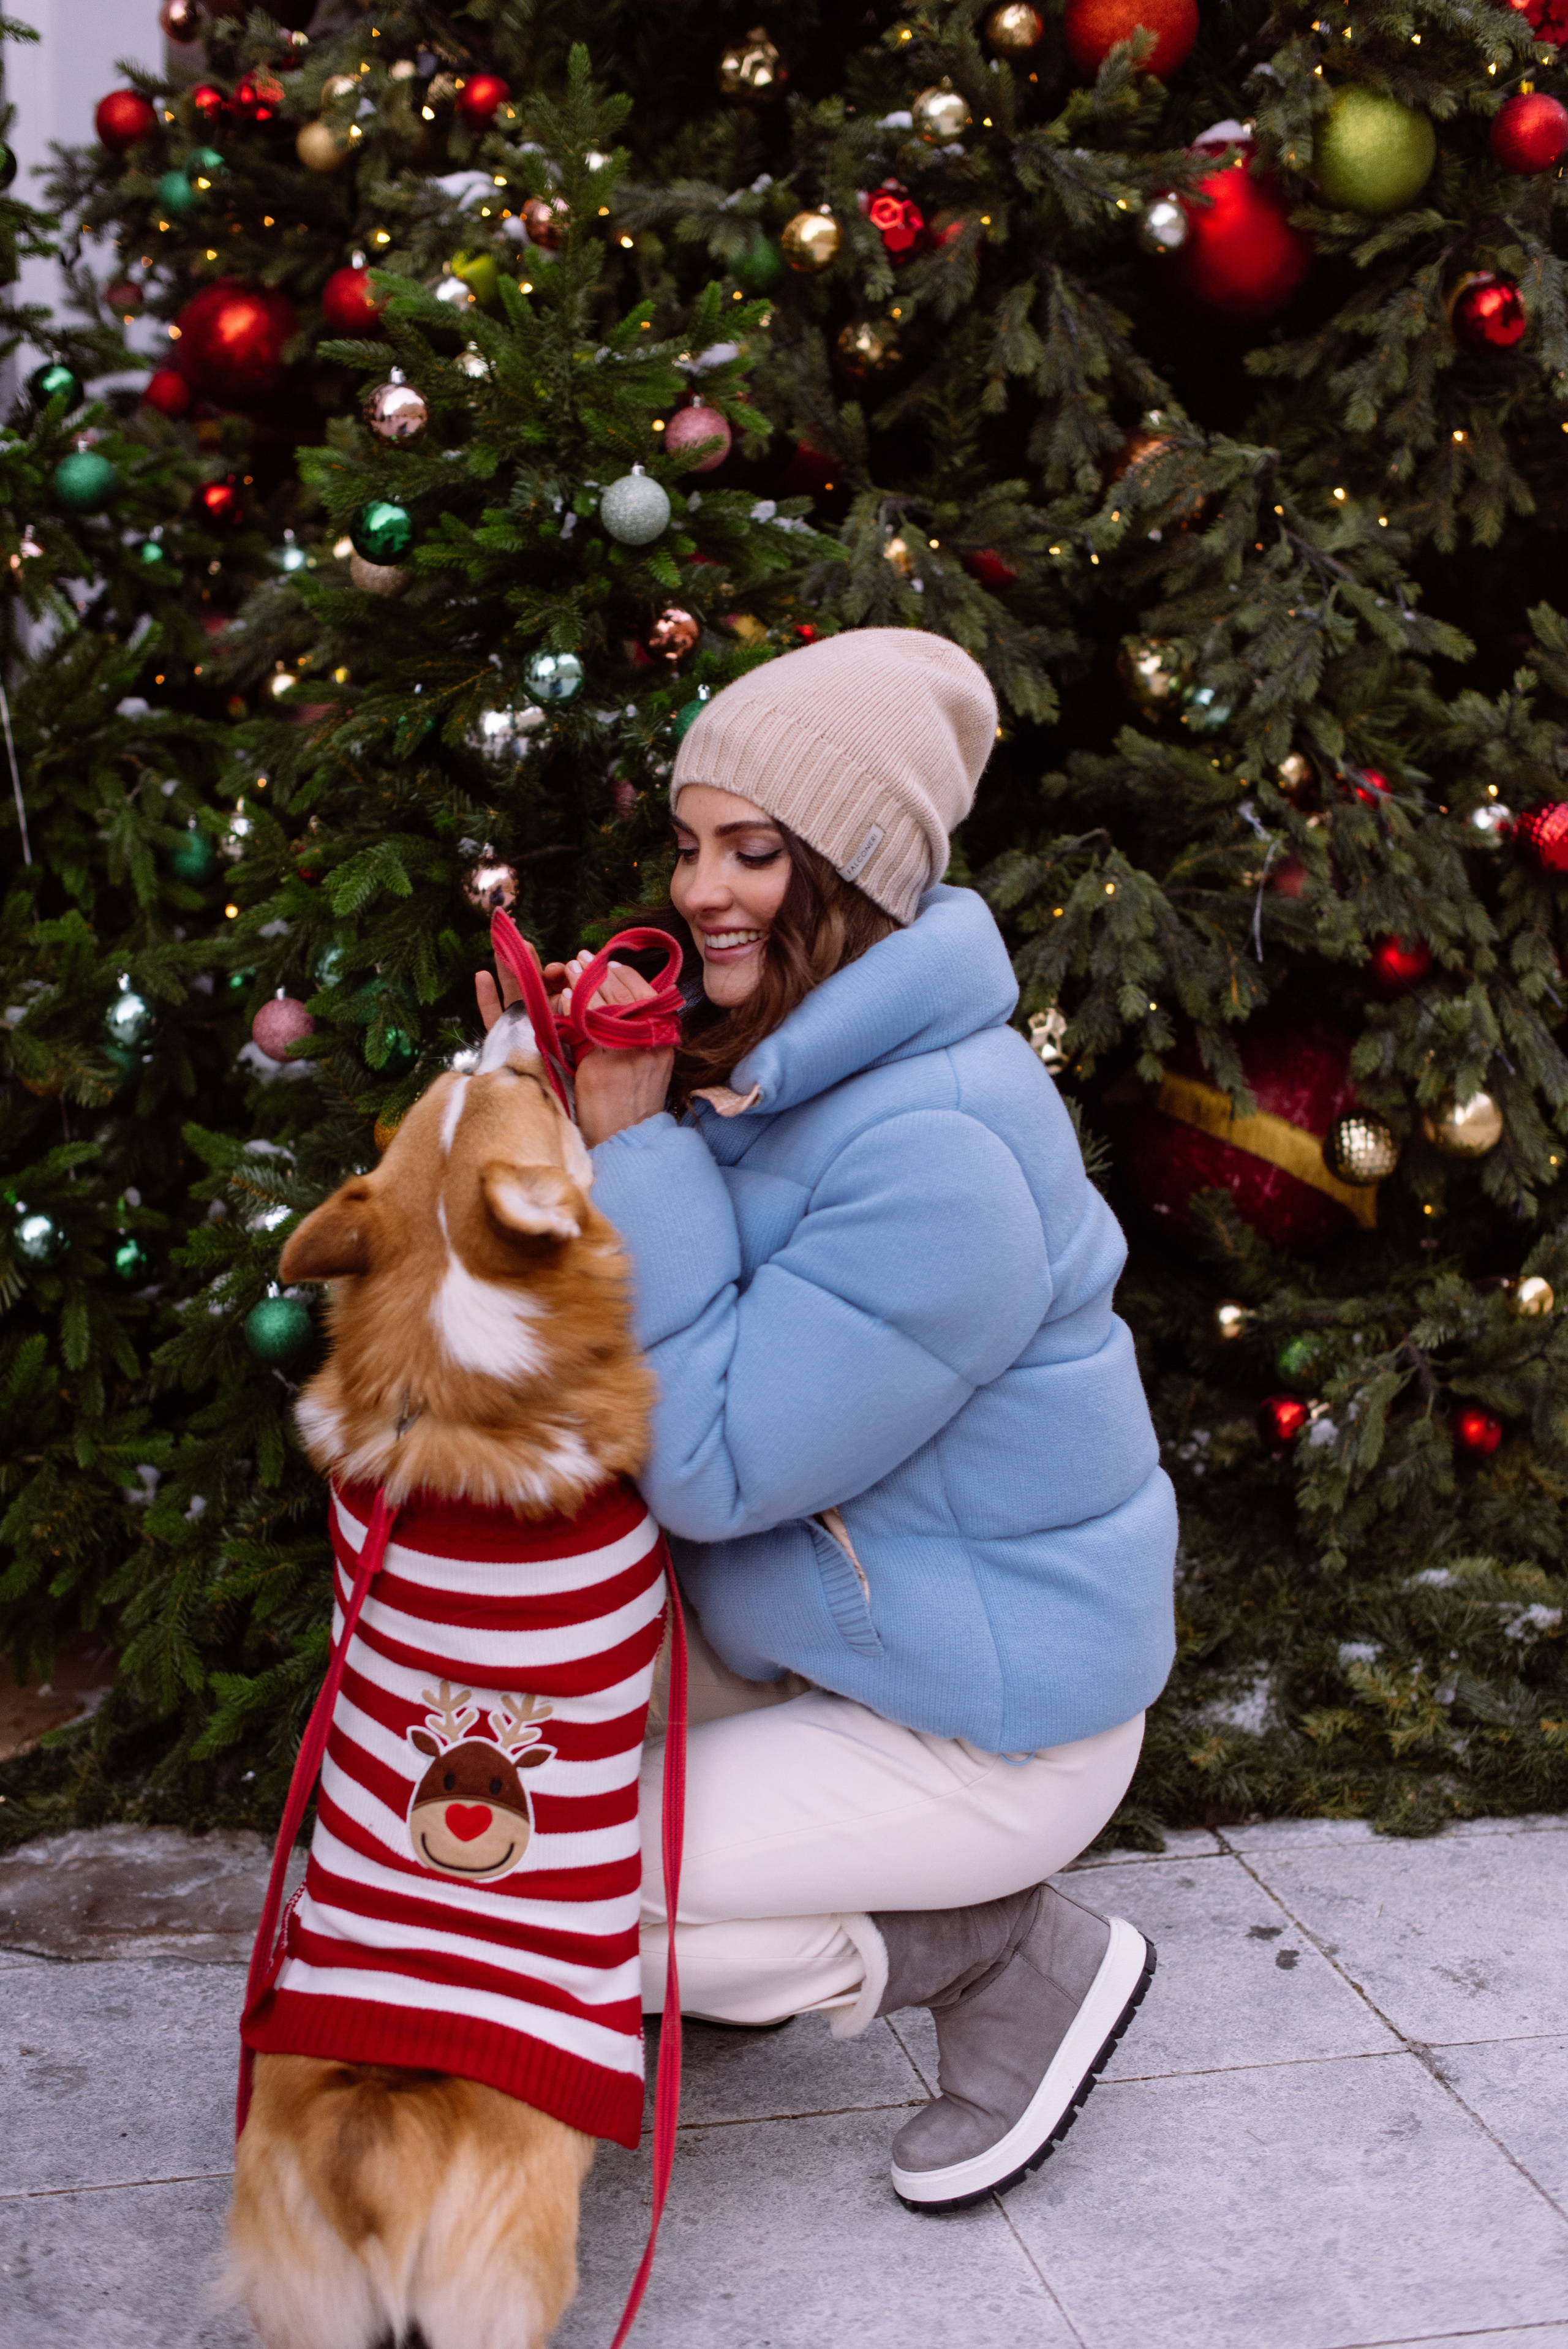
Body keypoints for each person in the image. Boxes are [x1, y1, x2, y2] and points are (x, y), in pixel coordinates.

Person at [477, 629, 1177, 2211]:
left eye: (755, 849)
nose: (702, 887)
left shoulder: (943, 1150)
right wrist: (544, 1101)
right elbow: (677, 1313)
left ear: (855, 870)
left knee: (563, 1874)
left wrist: (634, 1147)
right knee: (511, 1769)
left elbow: (715, 1465)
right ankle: (721, 1957)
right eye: (689, 842)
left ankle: (1003, 1947)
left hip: (990, 1722)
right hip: (841, 1638)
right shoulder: (792, 1062)